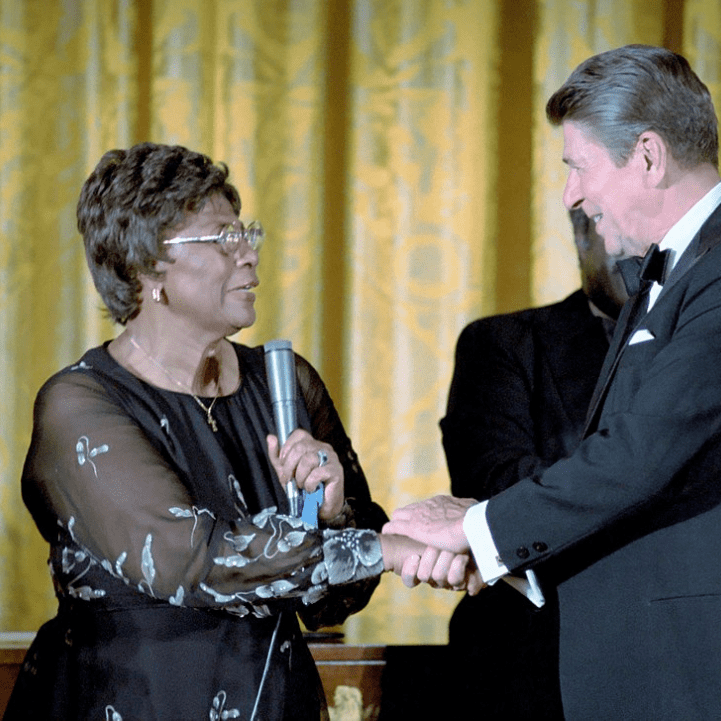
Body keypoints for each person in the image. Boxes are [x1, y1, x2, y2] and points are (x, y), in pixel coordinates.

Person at [386, 45, 721, 719]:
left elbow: (638, 458)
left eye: (578, 166)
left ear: (649, 157)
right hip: (661, 677)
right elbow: (660, 494)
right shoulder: (677, 276)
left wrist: (479, 530)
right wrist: (498, 550)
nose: (572, 194)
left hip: (718, 685)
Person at [3, 142, 466, 721]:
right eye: (223, 238)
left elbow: (336, 604)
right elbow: (193, 561)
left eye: (247, 233)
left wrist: (333, 512)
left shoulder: (288, 383)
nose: (248, 254)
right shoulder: (79, 404)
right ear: (148, 265)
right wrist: (390, 548)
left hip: (274, 702)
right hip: (133, 702)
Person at [441, 208, 624, 720]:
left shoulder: (706, 354)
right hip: (538, 663)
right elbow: (501, 491)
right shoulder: (505, 344)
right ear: (580, 232)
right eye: (615, 228)